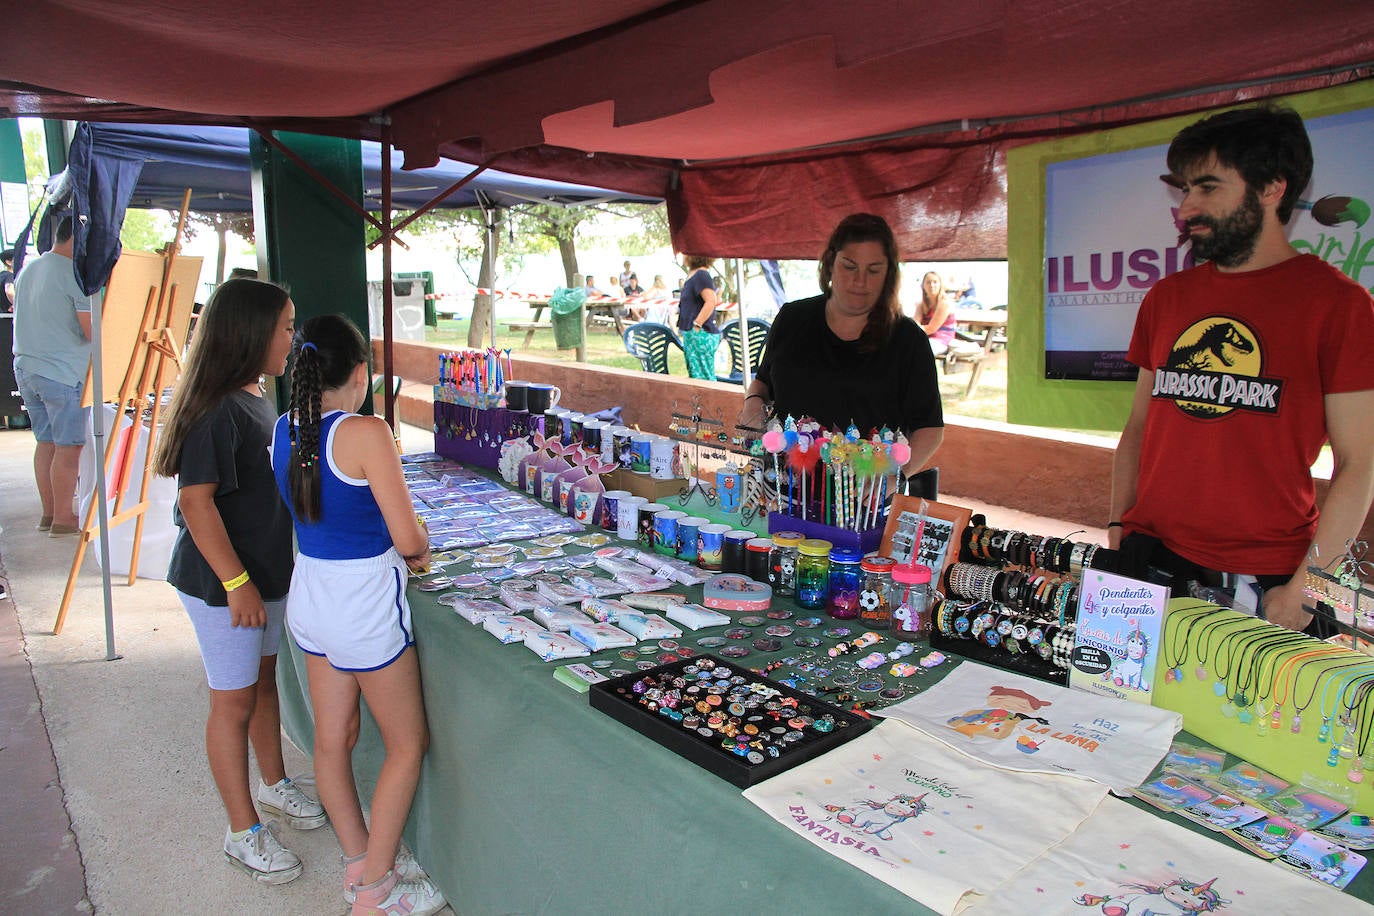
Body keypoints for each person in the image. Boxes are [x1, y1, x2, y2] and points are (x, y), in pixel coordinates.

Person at [1110, 104, 1374, 633]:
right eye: (1186, 189)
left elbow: (1360, 462)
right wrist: (1119, 527)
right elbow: (1138, 427)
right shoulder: (1167, 297)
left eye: (1208, 187)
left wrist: (1306, 589)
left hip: (1269, 577)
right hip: (1149, 559)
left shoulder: (1338, 304)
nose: (1188, 207)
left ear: (1272, 188)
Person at [151, 278, 325, 884]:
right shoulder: (216, 411)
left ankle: (273, 783)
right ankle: (241, 829)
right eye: (285, 327)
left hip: (263, 575)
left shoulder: (254, 395)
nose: (292, 339)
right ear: (251, 334)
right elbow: (196, 503)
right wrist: (237, 583)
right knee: (232, 701)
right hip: (222, 584)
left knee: (263, 683)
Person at [271, 314, 445, 915]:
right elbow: (408, 538)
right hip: (364, 604)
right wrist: (423, 542)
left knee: (332, 739)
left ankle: (360, 863)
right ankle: (375, 892)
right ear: (362, 373)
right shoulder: (368, 432)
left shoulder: (284, 428)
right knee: (407, 744)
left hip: (311, 595)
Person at [740, 213, 944, 477]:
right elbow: (763, 382)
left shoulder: (908, 340)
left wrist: (894, 479)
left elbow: (930, 428)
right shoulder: (792, 318)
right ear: (830, 263)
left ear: (888, 275)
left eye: (873, 270)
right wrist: (752, 403)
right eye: (849, 266)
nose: (860, 281)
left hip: (862, 495)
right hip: (781, 486)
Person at [11, 216, 92, 535]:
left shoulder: (29, 269)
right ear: (78, 239)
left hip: (28, 367)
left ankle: (49, 514)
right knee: (68, 448)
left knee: (46, 442)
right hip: (62, 372)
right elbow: (91, 330)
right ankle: (63, 517)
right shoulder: (73, 274)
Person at [677, 255, 722, 379]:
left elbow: (711, 301)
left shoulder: (701, 275)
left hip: (701, 334)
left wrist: (697, 325)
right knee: (696, 377)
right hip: (693, 334)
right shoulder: (695, 275)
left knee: (704, 379)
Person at [915, 270, 957, 356]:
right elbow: (915, 324)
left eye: (935, 282)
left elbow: (931, 329)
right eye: (928, 282)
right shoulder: (921, 305)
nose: (932, 285)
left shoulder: (944, 304)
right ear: (923, 286)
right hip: (924, 338)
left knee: (920, 351)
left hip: (941, 340)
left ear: (940, 285)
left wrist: (913, 332)